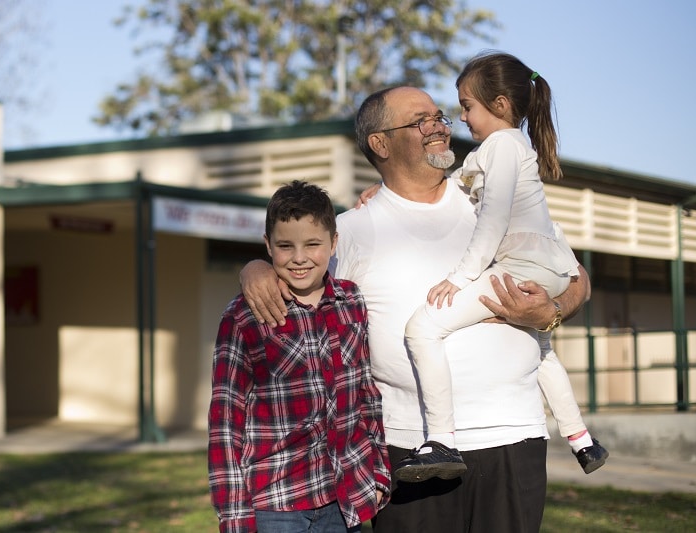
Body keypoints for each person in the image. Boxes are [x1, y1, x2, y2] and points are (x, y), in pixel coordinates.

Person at [240, 86, 590, 532]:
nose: (440, 127)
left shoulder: (490, 197)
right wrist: (254, 268)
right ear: (380, 144)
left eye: (439, 117)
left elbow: (576, 274)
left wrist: (551, 312)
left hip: (513, 437)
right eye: (420, 121)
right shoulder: (351, 231)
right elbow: (296, 271)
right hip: (408, 448)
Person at [387, 51, 608, 482]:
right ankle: (582, 440)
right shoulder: (500, 149)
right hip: (546, 264)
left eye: (467, 106)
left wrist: (460, 277)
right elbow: (455, 186)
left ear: (501, 105)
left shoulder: (504, 145)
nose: (462, 117)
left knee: (423, 328)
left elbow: (493, 220)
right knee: (541, 350)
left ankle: (441, 441)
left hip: (523, 263)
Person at [208, 180, 390, 533]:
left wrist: (378, 471)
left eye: (313, 244)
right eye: (285, 246)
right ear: (267, 246)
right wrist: (234, 517)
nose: (300, 257)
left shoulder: (352, 302)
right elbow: (225, 422)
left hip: (343, 498)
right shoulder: (244, 316)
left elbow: (366, 392)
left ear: (334, 244)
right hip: (275, 504)